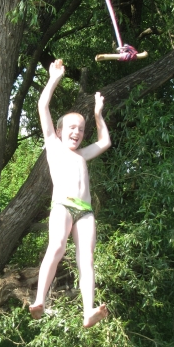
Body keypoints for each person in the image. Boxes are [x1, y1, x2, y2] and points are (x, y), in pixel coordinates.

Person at [29, 58, 111, 327]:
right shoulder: (54, 146)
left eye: (81, 129)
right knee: (57, 246)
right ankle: (39, 301)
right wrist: (54, 79)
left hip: (85, 212)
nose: (77, 132)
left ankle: (88, 311)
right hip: (63, 205)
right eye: (72, 128)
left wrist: (98, 114)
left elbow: (105, 141)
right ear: (60, 131)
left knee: (86, 258)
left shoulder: (82, 155)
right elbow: (43, 106)